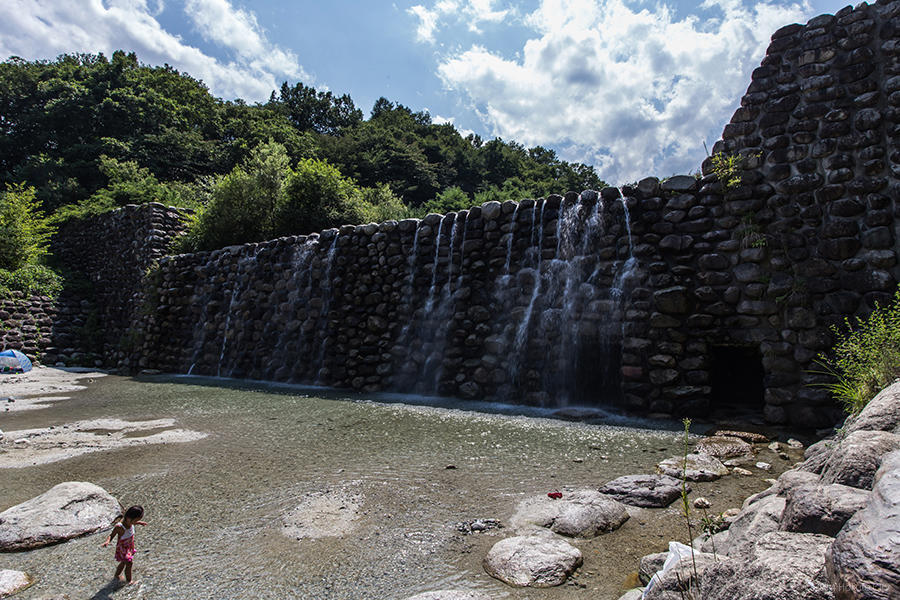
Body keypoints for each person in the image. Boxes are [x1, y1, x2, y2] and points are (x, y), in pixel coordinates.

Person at [101, 505, 148, 585]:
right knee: (129, 563)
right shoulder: (120, 527)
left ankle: (117, 575)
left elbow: (133, 523)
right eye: (136, 520)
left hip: (129, 546)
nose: (135, 522)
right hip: (123, 549)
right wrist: (107, 541)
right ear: (129, 518)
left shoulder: (130, 522)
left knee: (123, 563)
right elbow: (111, 535)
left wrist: (139, 523)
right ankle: (129, 581)